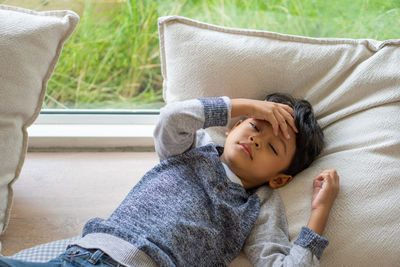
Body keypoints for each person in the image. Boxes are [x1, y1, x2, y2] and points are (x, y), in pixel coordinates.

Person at [0, 93, 339, 267]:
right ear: (235, 125)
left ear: (279, 179)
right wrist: (247, 104)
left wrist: (319, 214)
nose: (256, 140)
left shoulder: (259, 207)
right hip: (90, 255)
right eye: (255, 125)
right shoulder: (192, 149)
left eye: (272, 147)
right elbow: (172, 117)